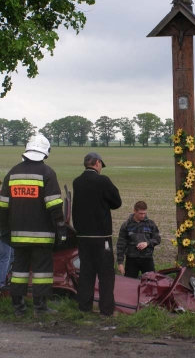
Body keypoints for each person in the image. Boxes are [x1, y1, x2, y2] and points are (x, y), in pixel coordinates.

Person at [0, 134, 67, 317]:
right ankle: (40, 308)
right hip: (42, 235)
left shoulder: (12, 173)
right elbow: (54, 205)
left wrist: (4, 230)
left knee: (19, 271)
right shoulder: (47, 173)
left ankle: (18, 308)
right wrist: (61, 228)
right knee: (42, 272)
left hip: (18, 236)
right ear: (45, 152)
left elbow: (3, 206)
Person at [72, 152, 122, 316]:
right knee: (106, 274)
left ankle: (84, 307)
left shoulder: (77, 182)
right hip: (101, 237)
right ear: (97, 163)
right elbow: (117, 202)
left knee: (86, 272)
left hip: (83, 236)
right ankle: (106, 310)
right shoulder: (103, 180)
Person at [117, 201, 161, 279]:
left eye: (145, 213)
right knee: (129, 285)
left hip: (147, 259)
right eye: (141, 213)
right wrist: (120, 262)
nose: (143, 216)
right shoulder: (126, 225)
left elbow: (157, 238)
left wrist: (147, 243)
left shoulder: (150, 224)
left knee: (151, 284)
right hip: (132, 260)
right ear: (134, 211)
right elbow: (121, 244)